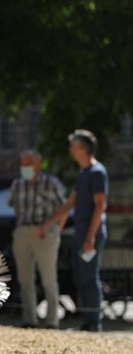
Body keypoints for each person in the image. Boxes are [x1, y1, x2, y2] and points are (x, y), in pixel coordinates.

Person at [38, 129, 108, 332]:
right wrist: (48, 223)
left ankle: (94, 323)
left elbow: (100, 205)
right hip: (82, 233)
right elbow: (70, 204)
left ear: (81, 149)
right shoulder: (83, 173)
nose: (70, 150)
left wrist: (90, 237)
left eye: (72, 146)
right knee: (80, 277)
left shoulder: (97, 172)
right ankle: (88, 321)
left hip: (90, 234)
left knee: (90, 276)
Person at [8, 150, 66, 329]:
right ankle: (29, 319)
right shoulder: (17, 184)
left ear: (38, 164)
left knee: (49, 278)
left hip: (45, 232)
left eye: (29, 163)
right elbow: (16, 208)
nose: (25, 167)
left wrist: (55, 231)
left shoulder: (51, 183)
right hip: (23, 231)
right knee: (25, 278)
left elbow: (63, 209)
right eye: (22, 164)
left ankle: (52, 320)